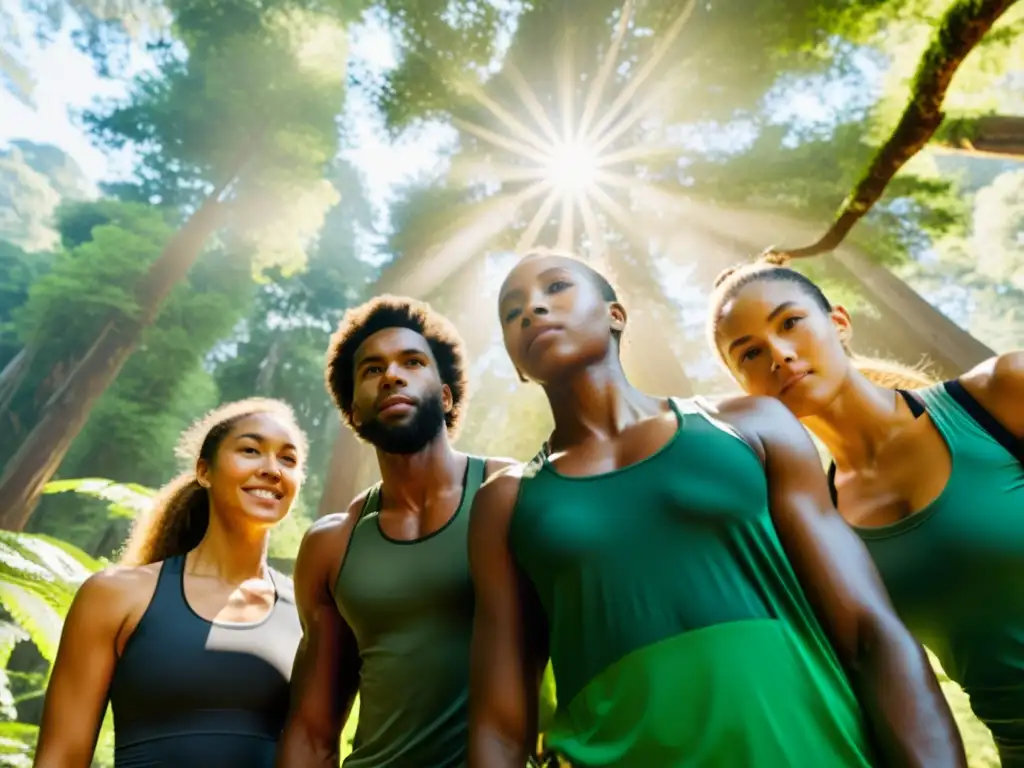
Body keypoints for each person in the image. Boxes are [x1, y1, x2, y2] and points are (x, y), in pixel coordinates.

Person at [468, 251, 966, 768]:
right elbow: (501, 726)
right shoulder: (506, 501)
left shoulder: (753, 425)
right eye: (512, 311)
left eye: (556, 288)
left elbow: (869, 631)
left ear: (615, 314)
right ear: (516, 362)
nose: (532, 310)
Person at [709, 254, 1024, 765]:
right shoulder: (822, 528)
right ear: (743, 386)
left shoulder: (1000, 395)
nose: (780, 355)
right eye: (749, 353)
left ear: (838, 321)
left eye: (790, 323)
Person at [277, 295, 514, 768]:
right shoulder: (332, 543)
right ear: (356, 413)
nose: (391, 375)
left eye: (412, 362)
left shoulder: (509, 494)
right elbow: (311, 728)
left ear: (445, 396)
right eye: (371, 370)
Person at [34, 398, 307, 768]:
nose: (272, 469)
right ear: (204, 471)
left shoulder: (308, 611)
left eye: (288, 459)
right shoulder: (116, 596)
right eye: (251, 450)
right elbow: (61, 757)